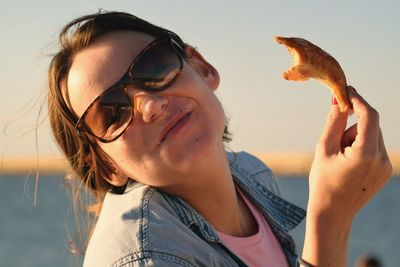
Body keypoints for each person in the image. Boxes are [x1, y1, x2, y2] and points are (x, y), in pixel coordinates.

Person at [47, 11, 392, 267]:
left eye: (154, 66)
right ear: (106, 166)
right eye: (111, 113)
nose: (151, 105)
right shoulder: (145, 258)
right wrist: (331, 217)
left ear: (202, 67)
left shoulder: (250, 175)